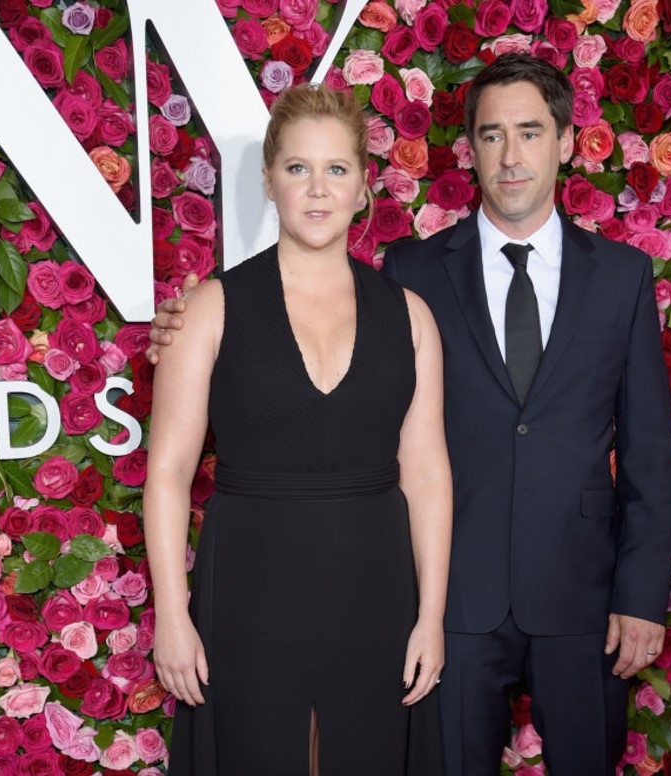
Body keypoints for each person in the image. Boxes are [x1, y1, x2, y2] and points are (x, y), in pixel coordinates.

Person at [149, 54, 671, 775]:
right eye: (492, 134)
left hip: (555, 599)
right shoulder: (415, 272)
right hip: (391, 598)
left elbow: (643, 450)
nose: (512, 153)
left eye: (529, 131)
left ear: (565, 139)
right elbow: (183, 461)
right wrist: (173, 618)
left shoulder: (616, 277)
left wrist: (640, 595)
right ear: (269, 180)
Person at [142, 83, 451, 776]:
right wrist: (172, 613)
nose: (318, 189)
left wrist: (431, 615)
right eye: (298, 169)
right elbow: (167, 473)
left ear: (364, 187)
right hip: (249, 588)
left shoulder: (410, 317)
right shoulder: (210, 309)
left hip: (376, 589)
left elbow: (427, 474)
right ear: (269, 182)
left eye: (336, 169)